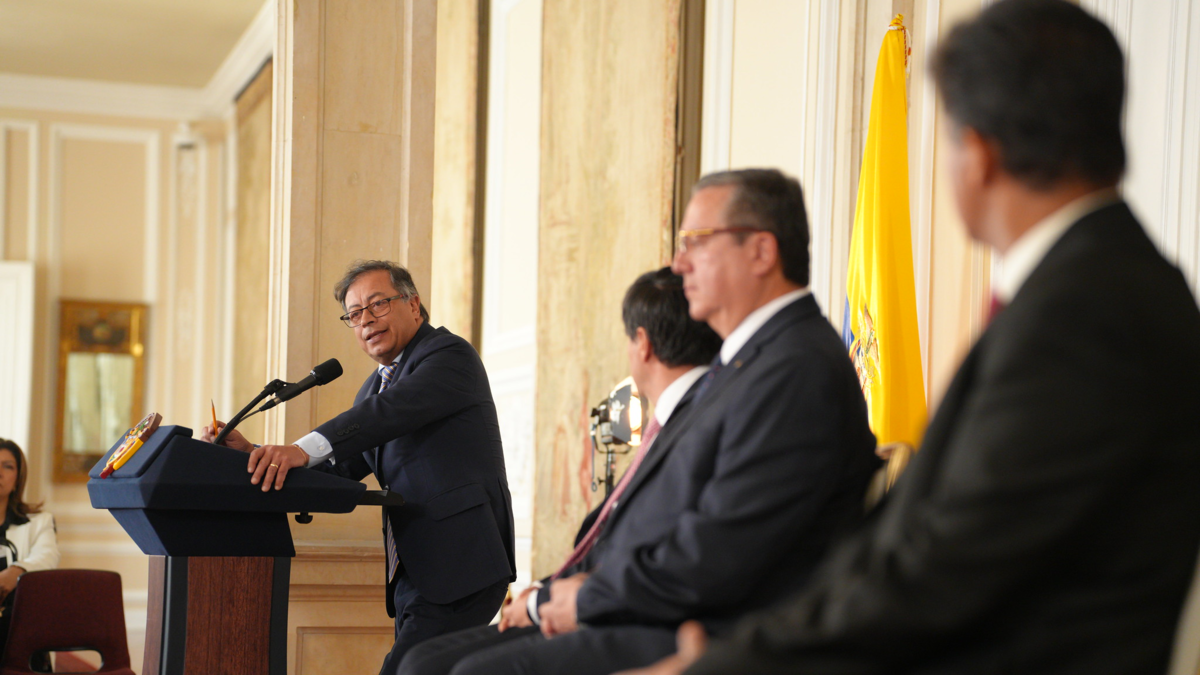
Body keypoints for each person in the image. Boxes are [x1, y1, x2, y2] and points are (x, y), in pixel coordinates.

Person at [631, 2, 1200, 674]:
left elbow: (945, 566)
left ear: (978, 154)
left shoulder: (1086, 312)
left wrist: (727, 664)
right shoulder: (1097, 284)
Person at [417, 169, 880, 675]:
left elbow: (719, 553)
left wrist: (587, 598)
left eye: (697, 241)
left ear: (761, 252)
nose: (679, 264)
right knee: (428, 662)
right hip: (665, 606)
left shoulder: (795, 368)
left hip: (719, 633)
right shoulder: (749, 361)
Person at [398, 266, 722, 675]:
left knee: (454, 670)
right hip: (595, 595)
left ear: (641, 343)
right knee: (420, 662)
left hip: (640, 617)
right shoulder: (678, 420)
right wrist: (546, 591)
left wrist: (547, 601)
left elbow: (661, 548)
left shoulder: (705, 419)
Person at [205, 261, 515, 674]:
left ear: (414, 305)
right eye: (354, 313)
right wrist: (252, 454)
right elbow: (337, 469)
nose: (366, 319)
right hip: (415, 570)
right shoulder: (373, 389)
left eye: (377, 304)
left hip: (462, 560)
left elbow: (389, 412)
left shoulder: (448, 355)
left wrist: (297, 449)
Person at [0, 438, 60, 651]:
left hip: (20, 629)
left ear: (18, 478)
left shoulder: (39, 522)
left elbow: (47, 557)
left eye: (7, 466)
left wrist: (15, 572)